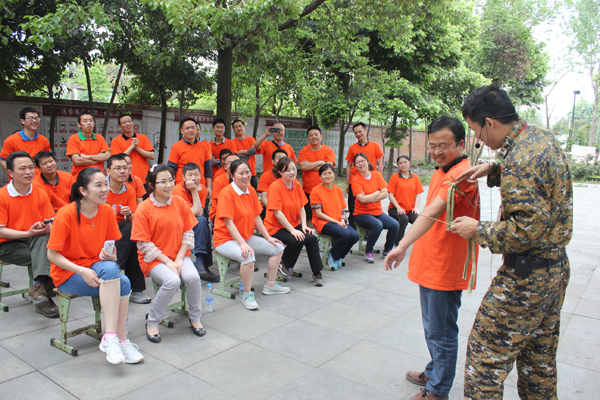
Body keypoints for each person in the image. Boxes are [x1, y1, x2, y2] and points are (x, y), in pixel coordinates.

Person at [450, 85, 572, 400]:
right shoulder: (540, 137)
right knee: (538, 363)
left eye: (476, 130)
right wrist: (494, 168)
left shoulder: (520, 159)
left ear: (489, 122)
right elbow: (539, 177)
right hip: (554, 270)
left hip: (526, 279)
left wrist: (477, 229)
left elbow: (525, 232)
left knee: (484, 359)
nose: (478, 139)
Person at [384, 116, 480, 400]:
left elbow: (431, 212)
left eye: (444, 145)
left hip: (445, 266)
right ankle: (435, 370)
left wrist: (401, 245)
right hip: (432, 262)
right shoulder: (443, 169)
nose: (437, 152)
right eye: (433, 145)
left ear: (461, 144)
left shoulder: (461, 175)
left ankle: (438, 390)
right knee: (433, 327)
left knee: (442, 331)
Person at [47, 167, 143, 365]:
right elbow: (52, 255)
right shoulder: (66, 214)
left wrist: (111, 255)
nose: (104, 189)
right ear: (83, 190)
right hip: (69, 273)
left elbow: (111, 248)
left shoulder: (106, 210)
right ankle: (114, 339)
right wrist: (82, 271)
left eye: (105, 184)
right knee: (122, 281)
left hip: (97, 267)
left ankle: (116, 339)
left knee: (116, 274)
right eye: (98, 185)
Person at [131, 164, 206, 343]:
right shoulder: (144, 208)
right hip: (153, 259)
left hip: (179, 254)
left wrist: (179, 259)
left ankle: (195, 318)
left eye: (171, 180)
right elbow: (145, 244)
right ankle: (152, 321)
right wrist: (168, 262)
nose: (168, 185)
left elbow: (188, 232)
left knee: (193, 278)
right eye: (163, 181)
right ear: (151, 185)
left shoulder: (179, 202)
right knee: (172, 281)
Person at [214, 159, 289, 310]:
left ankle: (271, 284)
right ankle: (247, 294)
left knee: (278, 247)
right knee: (248, 256)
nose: (245, 176)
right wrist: (242, 244)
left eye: (247, 172)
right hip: (224, 239)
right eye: (240, 173)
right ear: (232, 175)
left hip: (245, 237)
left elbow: (257, 218)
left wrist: (268, 237)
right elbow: (229, 223)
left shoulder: (251, 191)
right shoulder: (226, 193)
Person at [0, 151, 57, 317]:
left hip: (33, 240)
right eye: (22, 168)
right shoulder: (2, 195)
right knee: (50, 256)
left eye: (31, 168)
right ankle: (44, 297)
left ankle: (38, 290)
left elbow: (50, 221)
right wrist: (27, 232)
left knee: (46, 241)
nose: (28, 172)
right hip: (7, 244)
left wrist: (45, 227)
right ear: (10, 173)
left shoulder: (40, 192)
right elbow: (1, 230)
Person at [264, 157, 325, 286]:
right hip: (275, 227)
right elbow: (277, 213)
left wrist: (304, 226)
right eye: (287, 170)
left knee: (311, 237)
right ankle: (284, 263)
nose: (292, 172)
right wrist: (293, 230)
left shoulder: (296, 185)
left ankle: (317, 272)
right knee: (297, 239)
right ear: (280, 172)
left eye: (293, 169)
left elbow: (302, 207)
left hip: (292, 224)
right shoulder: (275, 187)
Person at [105, 154, 151, 304]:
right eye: (117, 168)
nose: (122, 171)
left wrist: (129, 213)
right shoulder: (101, 188)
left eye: (125, 168)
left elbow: (133, 219)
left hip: (121, 229)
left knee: (133, 234)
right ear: (107, 171)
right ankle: (119, 275)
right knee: (129, 231)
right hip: (100, 228)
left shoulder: (129, 189)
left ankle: (122, 278)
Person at [172, 162, 219, 283]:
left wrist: (196, 191)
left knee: (203, 222)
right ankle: (201, 264)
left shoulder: (202, 188)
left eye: (196, 174)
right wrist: (194, 190)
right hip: (178, 223)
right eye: (190, 175)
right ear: (183, 177)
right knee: (202, 222)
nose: (194, 178)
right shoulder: (178, 190)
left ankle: (201, 264)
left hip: (192, 221)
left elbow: (198, 212)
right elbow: (193, 213)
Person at [351, 153, 399, 262]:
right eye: (357, 162)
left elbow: (385, 194)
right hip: (361, 214)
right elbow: (362, 200)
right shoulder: (356, 180)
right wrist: (377, 192)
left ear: (367, 161)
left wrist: (368, 197)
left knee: (395, 224)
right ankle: (368, 251)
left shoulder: (377, 175)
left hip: (377, 212)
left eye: (362, 161)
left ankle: (387, 250)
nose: (360, 164)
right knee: (378, 225)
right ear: (355, 165)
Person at [311, 164, 359, 268]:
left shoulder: (338, 190)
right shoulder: (316, 191)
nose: (327, 176)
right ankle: (333, 255)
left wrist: (343, 220)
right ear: (320, 177)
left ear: (334, 174)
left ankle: (337, 255)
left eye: (330, 173)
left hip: (338, 221)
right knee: (346, 234)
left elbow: (342, 210)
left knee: (355, 235)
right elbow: (319, 213)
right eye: (324, 174)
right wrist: (337, 222)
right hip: (323, 223)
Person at [345, 122, 384, 228]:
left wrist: (379, 180)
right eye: (356, 133)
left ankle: (368, 229)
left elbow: (380, 163)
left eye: (360, 131)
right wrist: (348, 183)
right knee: (353, 207)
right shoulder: (352, 148)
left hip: (371, 181)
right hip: (355, 181)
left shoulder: (375, 146)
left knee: (369, 206)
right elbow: (349, 165)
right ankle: (352, 230)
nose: (358, 134)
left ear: (365, 131)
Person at [298, 126, 336, 226]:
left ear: (321, 136)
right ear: (308, 138)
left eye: (316, 134)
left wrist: (310, 165)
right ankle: (310, 234)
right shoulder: (303, 151)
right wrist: (320, 162)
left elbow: (328, 168)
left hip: (325, 189)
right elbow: (303, 166)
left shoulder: (328, 150)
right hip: (308, 190)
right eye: (311, 135)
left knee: (326, 215)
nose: (314, 137)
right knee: (309, 217)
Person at [167, 117, 212, 195]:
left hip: (200, 186)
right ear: (182, 131)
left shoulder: (203, 146)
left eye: (193, 128)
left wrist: (209, 187)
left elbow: (208, 169)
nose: (190, 130)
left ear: (196, 130)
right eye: (187, 128)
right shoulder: (176, 147)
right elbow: (171, 169)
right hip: (182, 188)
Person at [387, 155, 424, 246]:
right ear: (398, 166)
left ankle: (418, 243)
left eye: (405, 162)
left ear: (409, 163)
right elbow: (390, 195)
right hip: (395, 208)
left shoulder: (415, 177)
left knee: (418, 220)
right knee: (404, 219)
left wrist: (416, 208)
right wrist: (398, 207)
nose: (403, 164)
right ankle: (398, 243)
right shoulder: (395, 177)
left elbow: (418, 194)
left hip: (410, 209)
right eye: (400, 163)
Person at [1, 107, 51, 171]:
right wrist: (14, 173)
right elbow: (2, 160)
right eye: (31, 118)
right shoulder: (11, 140)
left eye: (36, 118)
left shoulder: (44, 140)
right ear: (22, 121)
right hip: (21, 176)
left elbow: (48, 158)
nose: (34, 121)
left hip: (40, 176)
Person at [110, 112, 155, 184]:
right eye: (124, 122)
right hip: (126, 179)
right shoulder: (116, 141)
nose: (128, 124)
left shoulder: (143, 138)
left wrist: (137, 148)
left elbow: (152, 156)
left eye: (129, 121)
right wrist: (131, 147)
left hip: (144, 178)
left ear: (133, 123)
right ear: (119, 126)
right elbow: (117, 160)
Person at [66, 110, 110, 179]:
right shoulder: (73, 139)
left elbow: (107, 156)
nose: (89, 123)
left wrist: (86, 157)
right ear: (79, 124)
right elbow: (77, 160)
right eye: (85, 121)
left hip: (99, 177)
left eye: (91, 121)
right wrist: (99, 158)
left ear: (94, 123)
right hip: (81, 177)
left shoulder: (100, 138)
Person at [257, 149, 288, 217]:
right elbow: (264, 198)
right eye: (279, 158)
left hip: (287, 207)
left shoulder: (290, 176)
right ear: (273, 161)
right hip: (270, 207)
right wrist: (275, 210)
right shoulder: (265, 176)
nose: (281, 160)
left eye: (284, 158)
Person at [210, 153, 239, 222]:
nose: (233, 165)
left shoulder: (244, 180)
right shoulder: (219, 180)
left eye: (236, 162)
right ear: (224, 167)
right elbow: (219, 203)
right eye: (230, 162)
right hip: (221, 212)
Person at [231, 119, 259, 189]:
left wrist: (242, 151)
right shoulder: (232, 142)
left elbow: (254, 151)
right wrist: (248, 153)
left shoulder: (251, 139)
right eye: (236, 127)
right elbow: (235, 156)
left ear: (244, 127)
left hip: (251, 172)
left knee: (253, 192)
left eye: (240, 126)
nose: (238, 128)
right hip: (239, 173)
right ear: (233, 130)